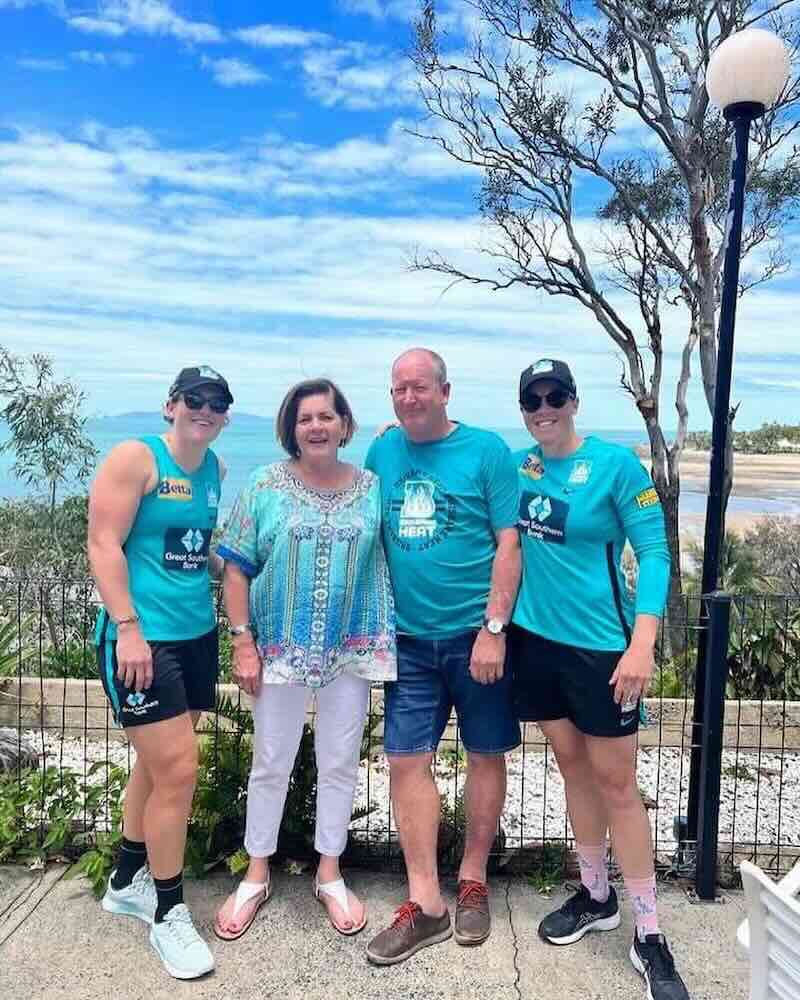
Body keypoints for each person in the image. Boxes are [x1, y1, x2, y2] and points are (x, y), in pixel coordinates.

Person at [509, 359, 689, 1000]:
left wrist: (643, 643)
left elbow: (657, 552)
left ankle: (649, 934)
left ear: (574, 400)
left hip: (603, 652)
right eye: (533, 399)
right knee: (574, 770)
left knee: (617, 784)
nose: (544, 407)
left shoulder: (616, 466)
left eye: (555, 395)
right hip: (537, 646)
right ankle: (595, 895)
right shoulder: (520, 465)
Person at [213, 378, 396, 941]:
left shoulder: (372, 486)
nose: (316, 426)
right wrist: (243, 642)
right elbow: (236, 567)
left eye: (326, 416)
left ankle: (329, 872)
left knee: (341, 761)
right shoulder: (265, 484)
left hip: (351, 646)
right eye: (304, 418)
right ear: (291, 428)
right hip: (278, 648)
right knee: (272, 760)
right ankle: (257, 871)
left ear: (345, 424)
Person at [363, 348, 521, 966]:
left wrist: (494, 627)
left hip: (474, 637)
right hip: (407, 641)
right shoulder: (383, 451)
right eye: (399, 388)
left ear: (446, 390)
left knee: (485, 755)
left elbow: (509, 544)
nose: (409, 397)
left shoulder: (487, 452)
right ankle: (426, 902)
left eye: (420, 387)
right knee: (406, 762)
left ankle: (474, 878)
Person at [88, 365, 233, 980]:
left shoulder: (216, 471)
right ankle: (169, 913)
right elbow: (103, 543)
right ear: (171, 405)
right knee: (179, 768)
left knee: (156, 764)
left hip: (197, 634)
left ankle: (127, 876)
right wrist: (127, 627)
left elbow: (194, 551)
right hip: (142, 641)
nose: (205, 410)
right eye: (194, 399)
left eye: (217, 403)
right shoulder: (136, 457)